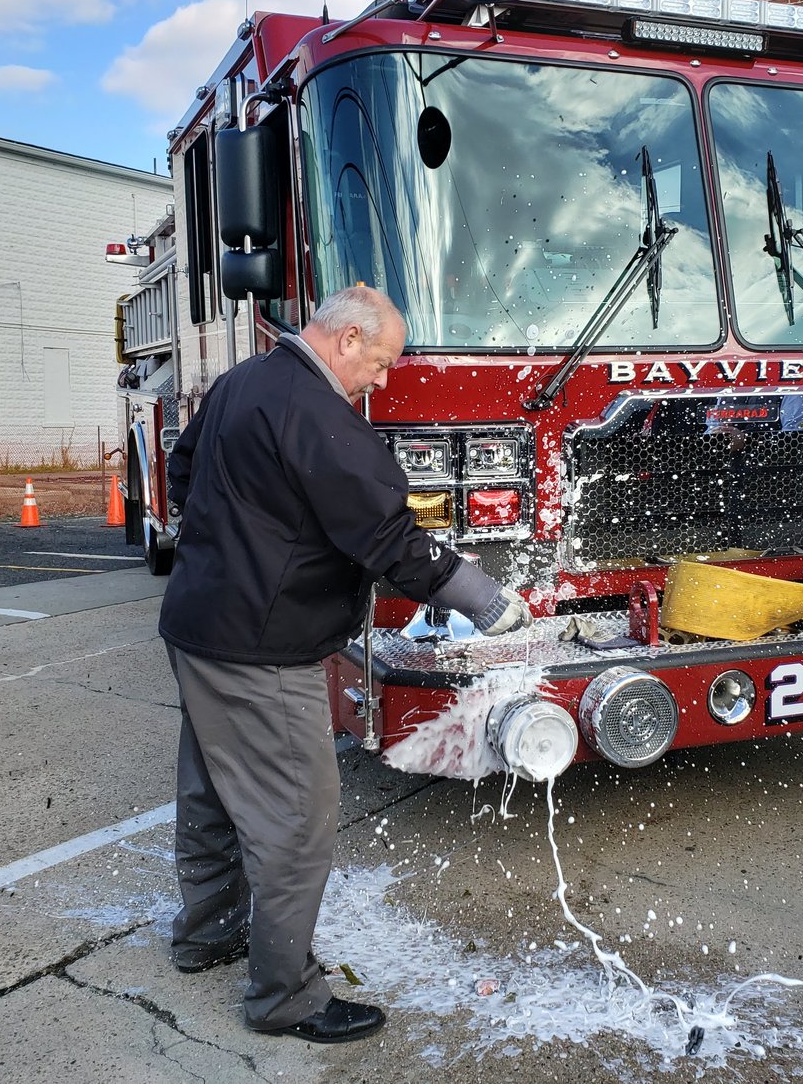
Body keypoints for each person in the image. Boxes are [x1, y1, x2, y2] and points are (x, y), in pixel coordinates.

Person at [158, 286, 532, 1042]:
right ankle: (283, 997)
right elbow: (390, 538)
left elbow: (182, 470)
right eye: (383, 362)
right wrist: (486, 601)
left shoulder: (244, 383)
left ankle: (207, 934)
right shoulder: (318, 415)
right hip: (264, 650)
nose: (383, 381)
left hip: (198, 626)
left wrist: (226, 550)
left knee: (211, 792)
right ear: (348, 338)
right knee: (295, 821)